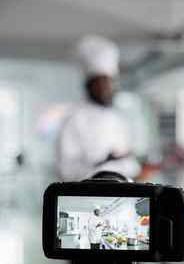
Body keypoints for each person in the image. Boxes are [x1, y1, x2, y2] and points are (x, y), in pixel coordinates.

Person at [58, 35, 141, 181]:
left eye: (109, 83)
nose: (106, 89)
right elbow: (66, 171)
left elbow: (130, 165)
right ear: (89, 85)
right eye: (100, 83)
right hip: (87, 197)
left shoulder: (117, 118)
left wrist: (125, 161)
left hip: (121, 195)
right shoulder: (74, 118)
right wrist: (102, 162)